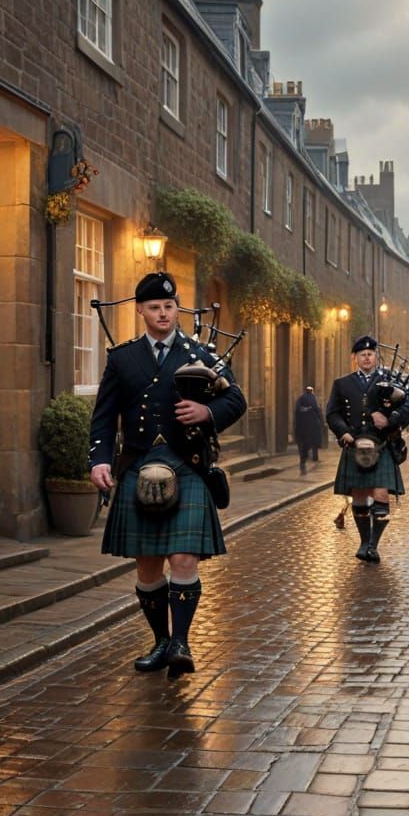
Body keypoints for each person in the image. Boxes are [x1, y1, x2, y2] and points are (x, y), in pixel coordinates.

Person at [89, 272, 247, 679]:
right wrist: (99, 461)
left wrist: (207, 413)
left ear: (178, 309)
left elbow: (236, 398)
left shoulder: (201, 355)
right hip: (138, 465)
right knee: (147, 565)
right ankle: (162, 640)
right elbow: (104, 417)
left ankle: (181, 641)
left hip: (188, 465)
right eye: (155, 307)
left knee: (183, 557)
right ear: (140, 310)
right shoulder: (122, 358)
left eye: (170, 306)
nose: (163, 314)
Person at [325, 336, 409, 564]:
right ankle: (364, 542)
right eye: (362, 354)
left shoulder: (388, 381)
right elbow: (332, 413)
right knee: (360, 497)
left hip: (381, 444)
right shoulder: (342, 383)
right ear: (355, 358)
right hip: (355, 445)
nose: (367, 357)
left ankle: (374, 544)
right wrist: (343, 432)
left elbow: (408, 405)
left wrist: (391, 419)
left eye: (371, 354)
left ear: (376, 356)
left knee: (381, 494)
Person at [293, 385, 323, 474]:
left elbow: (296, 413)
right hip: (310, 429)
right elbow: (318, 413)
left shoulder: (300, 399)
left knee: (303, 446)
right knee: (310, 445)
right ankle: (310, 459)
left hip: (301, 429)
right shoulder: (313, 400)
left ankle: (303, 463)